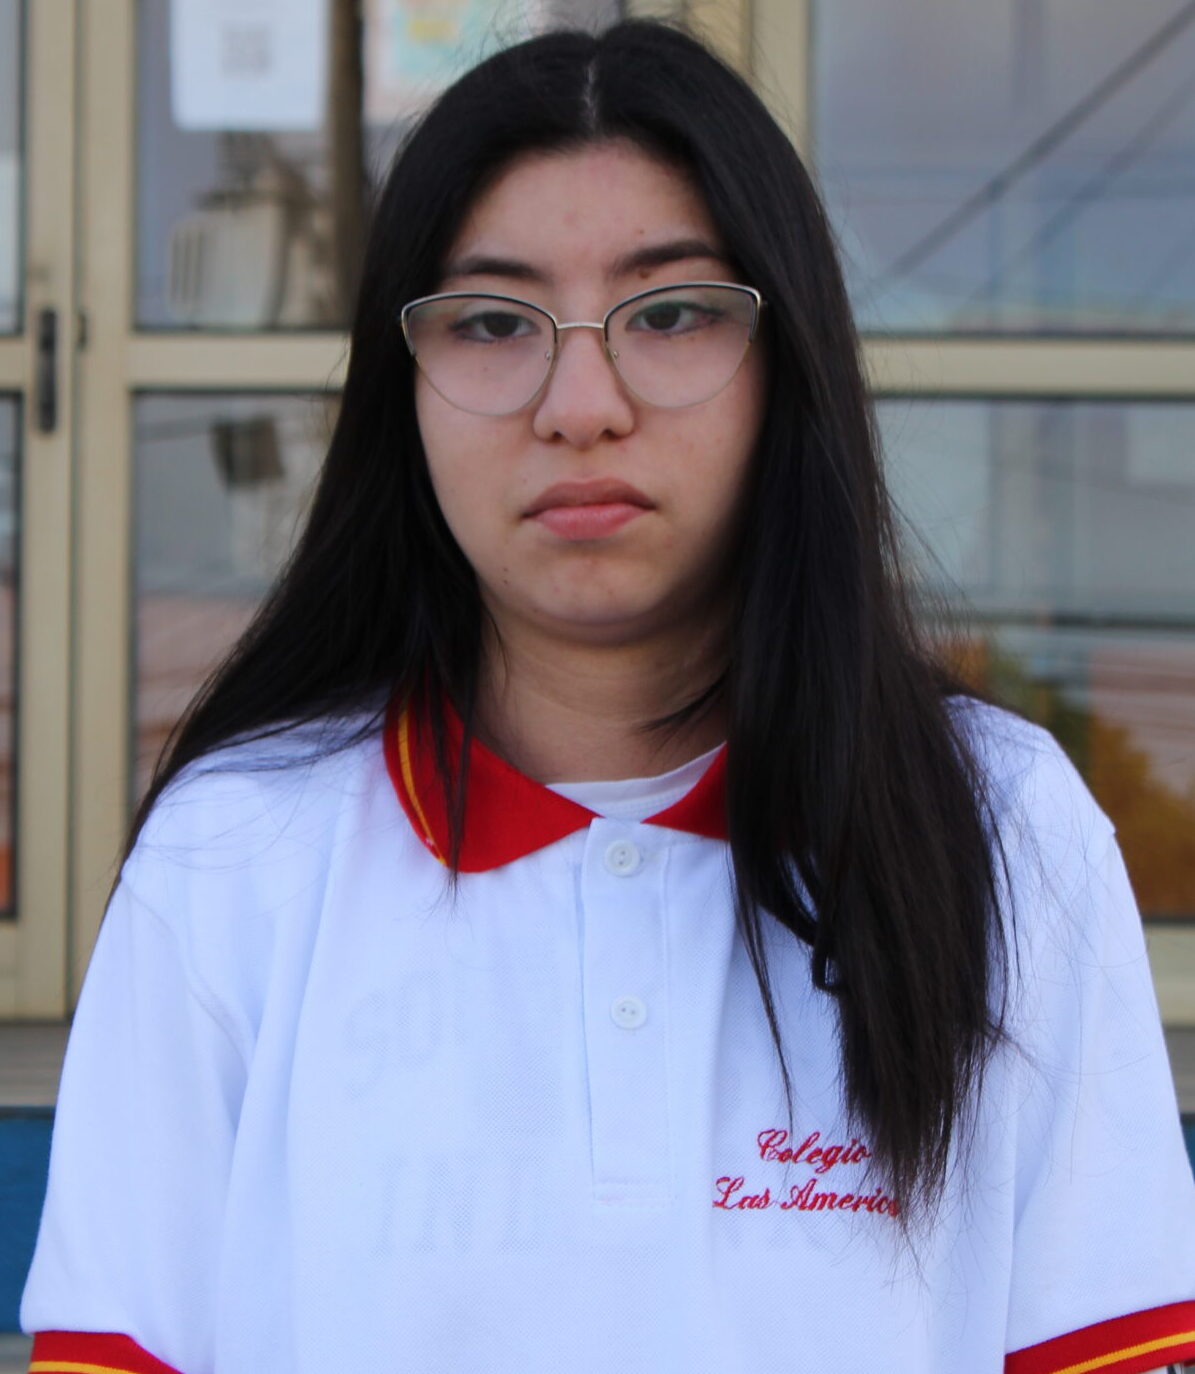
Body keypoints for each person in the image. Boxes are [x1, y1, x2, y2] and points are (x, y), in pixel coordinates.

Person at [20, 19, 1195, 1374]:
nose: (581, 404)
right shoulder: (234, 856)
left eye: (672, 313)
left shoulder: (1003, 830)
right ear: (403, 388)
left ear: (788, 364)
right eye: (491, 322)